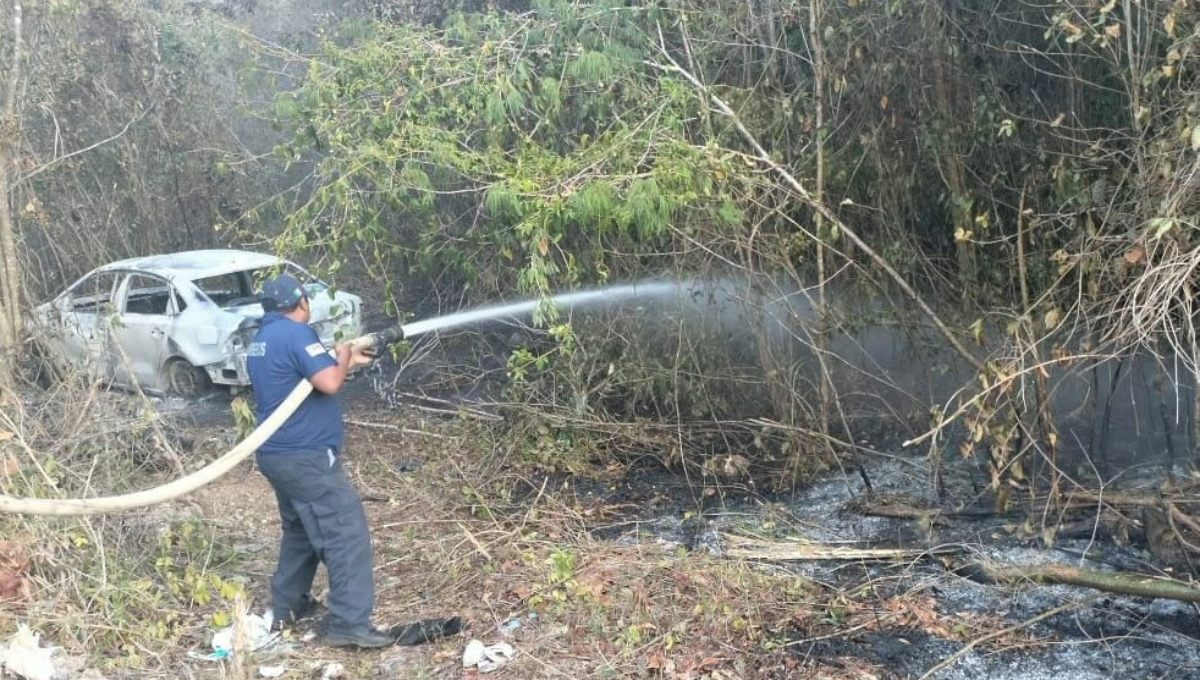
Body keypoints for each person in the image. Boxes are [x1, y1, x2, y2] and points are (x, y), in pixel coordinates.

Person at [246, 273, 392, 648]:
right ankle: (349, 624)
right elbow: (328, 382)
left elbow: (305, 379)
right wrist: (342, 354)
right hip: (305, 457)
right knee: (345, 529)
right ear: (303, 303)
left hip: (277, 456)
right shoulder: (297, 334)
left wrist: (347, 362)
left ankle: (287, 607)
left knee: (300, 531)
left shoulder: (263, 339)